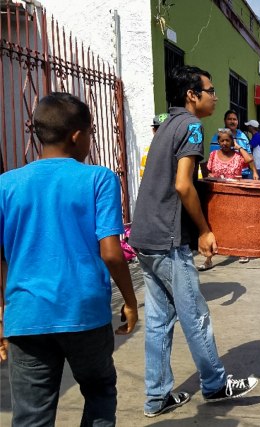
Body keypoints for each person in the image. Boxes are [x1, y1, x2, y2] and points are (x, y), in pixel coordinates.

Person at [0, 92, 138, 426]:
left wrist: (3, 314)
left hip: (26, 314)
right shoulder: (99, 179)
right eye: (90, 133)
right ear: (77, 135)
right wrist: (131, 301)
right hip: (85, 312)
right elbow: (111, 252)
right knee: (100, 392)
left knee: (31, 414)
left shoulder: (6, 184)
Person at [128, 65, 258, 417]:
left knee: (158, 320)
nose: (215, 96)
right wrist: (203, 230)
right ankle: (215, 384)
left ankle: (157, 397)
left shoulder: (167, 124)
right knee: (195, 314)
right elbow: (184, 185)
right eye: (210, 90)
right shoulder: (192, 126)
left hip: (144, 236)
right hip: (167, 237)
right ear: (192, 95)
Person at [197, 128, 254, 271]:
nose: (224, 143)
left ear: (232, 141)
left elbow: (249, 160)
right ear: (218, 141)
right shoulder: (213, 155)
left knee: (239, 223)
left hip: (236, 196)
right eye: (221, 140)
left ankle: (242, 251)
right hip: (217, 196)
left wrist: (239, 147)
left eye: (227, 140)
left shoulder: (238, 156)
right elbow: (209, 172)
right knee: (213, 226)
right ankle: (209, 258)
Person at [210, 110, 259, 181]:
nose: (232, 122)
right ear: (225, 121)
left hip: (244, 175)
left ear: (237, 121)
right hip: (224, 177)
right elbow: (214, 158)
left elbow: (249, 156)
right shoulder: (217, 137)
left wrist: (254, 172)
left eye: (234, 119)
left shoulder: (243, 136)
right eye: (229, 119)